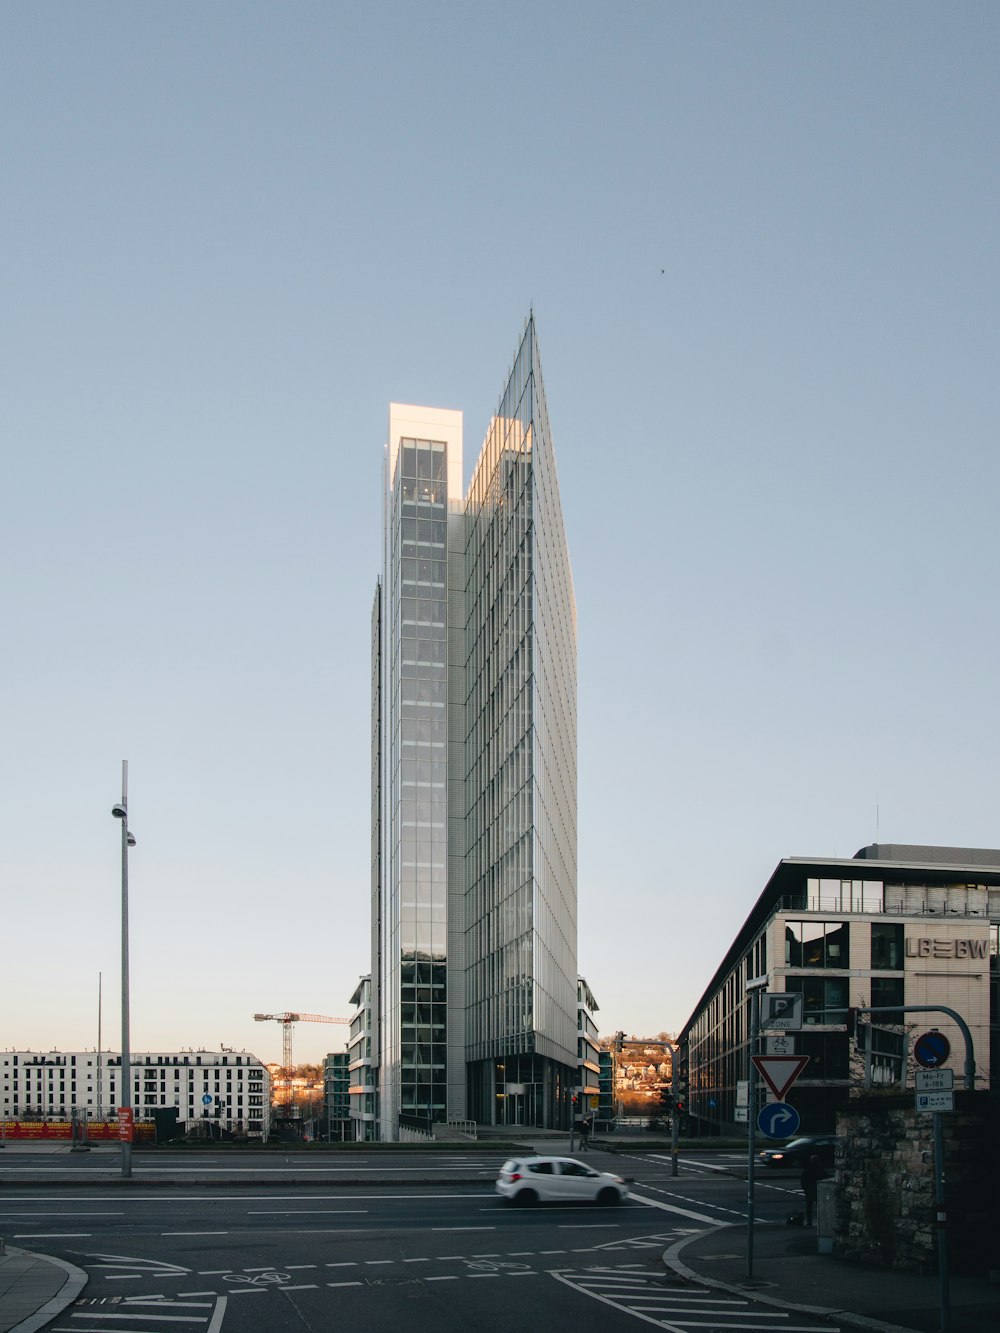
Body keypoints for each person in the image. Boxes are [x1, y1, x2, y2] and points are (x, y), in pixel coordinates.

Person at [800, 1154, 827, 1226]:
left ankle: (809, 1222)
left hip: (809, 1190)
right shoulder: (820, 1169)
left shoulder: (807, 1169)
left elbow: (803, 1180)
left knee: (809, 1207)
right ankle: (821, 1222)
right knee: (820, 1207)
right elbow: (825, 1177)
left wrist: (805, 1189)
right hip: (818, 1190)